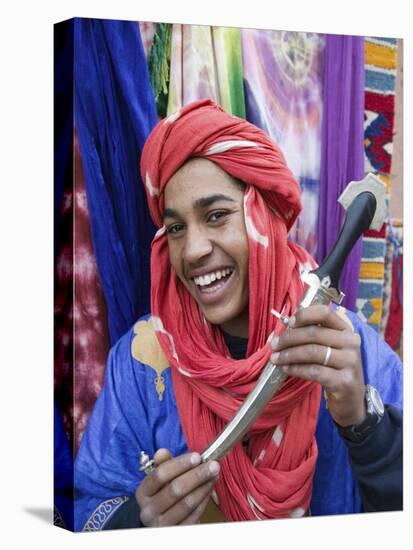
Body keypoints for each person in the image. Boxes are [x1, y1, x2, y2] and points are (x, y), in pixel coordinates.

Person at [74, 99, 402, 531]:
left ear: (264, 216)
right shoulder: (141, 361)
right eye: (176, 228)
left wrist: (364, 422)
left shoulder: (348, 351)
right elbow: (86, 507)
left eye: (216, 216)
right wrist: (137, 520)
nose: (192, 251)